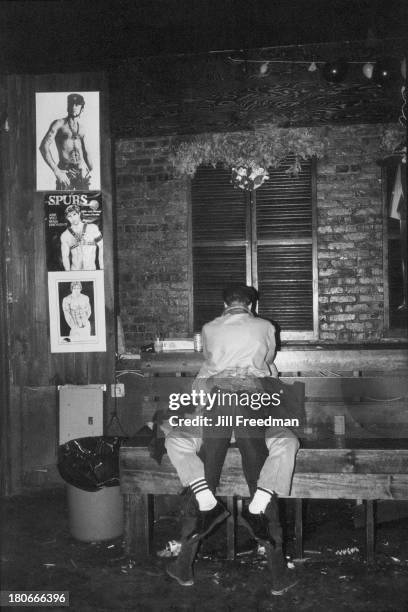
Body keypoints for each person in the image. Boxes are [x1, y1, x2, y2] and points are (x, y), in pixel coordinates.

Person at [165, 284, 301, 594]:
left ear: (225, 304)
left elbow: (203, 384)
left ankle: (185, 561)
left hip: (219, 417)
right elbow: (268, 364)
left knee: (201, 472)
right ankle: (277, 570)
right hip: (250, 417)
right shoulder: (265, 342)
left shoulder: (211, 337)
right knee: (266, 462)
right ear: (252, 306)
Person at [39, 93, 93, 191]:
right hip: (65, 172)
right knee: (63, 204)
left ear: (82, 109)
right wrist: (57, 171)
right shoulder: (59, 124)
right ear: (67, 106)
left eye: (77, 105)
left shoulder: (82, 128)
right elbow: (43, 147)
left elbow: (86, 152)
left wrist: (89, 168)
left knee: (85, 204)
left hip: (81, 174)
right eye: (71, 104)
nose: (73, 107)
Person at [60, 204, 103, 271]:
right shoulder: (65, 235)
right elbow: (65, 256)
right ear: (67, 218)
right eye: (69, 216)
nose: (73, 218)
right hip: (75, 272)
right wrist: (68, 274)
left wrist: (102, 268)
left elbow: (102, 246)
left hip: (91, 270)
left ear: (79, 214)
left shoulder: (92, 228)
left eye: (74, 214)